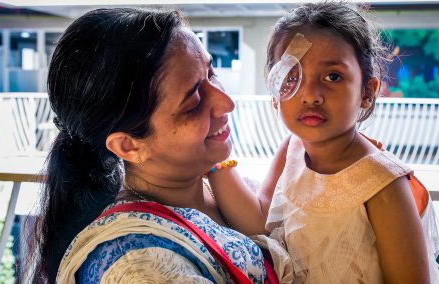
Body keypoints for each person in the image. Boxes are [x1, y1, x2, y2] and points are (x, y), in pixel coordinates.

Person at [23, 8, 286, 283]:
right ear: (128, 145)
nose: (226, 102)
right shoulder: (139, 267)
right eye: (193, 100)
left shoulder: (218, 185)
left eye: (211, 71)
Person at [206, 2, 439, 283]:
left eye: (333, 76)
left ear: (367, 91)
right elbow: (259, 220)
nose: (310, 95)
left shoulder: (382, 183)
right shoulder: (292, 147)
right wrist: (212, 160)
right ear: (274, 89)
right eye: (291, 77)